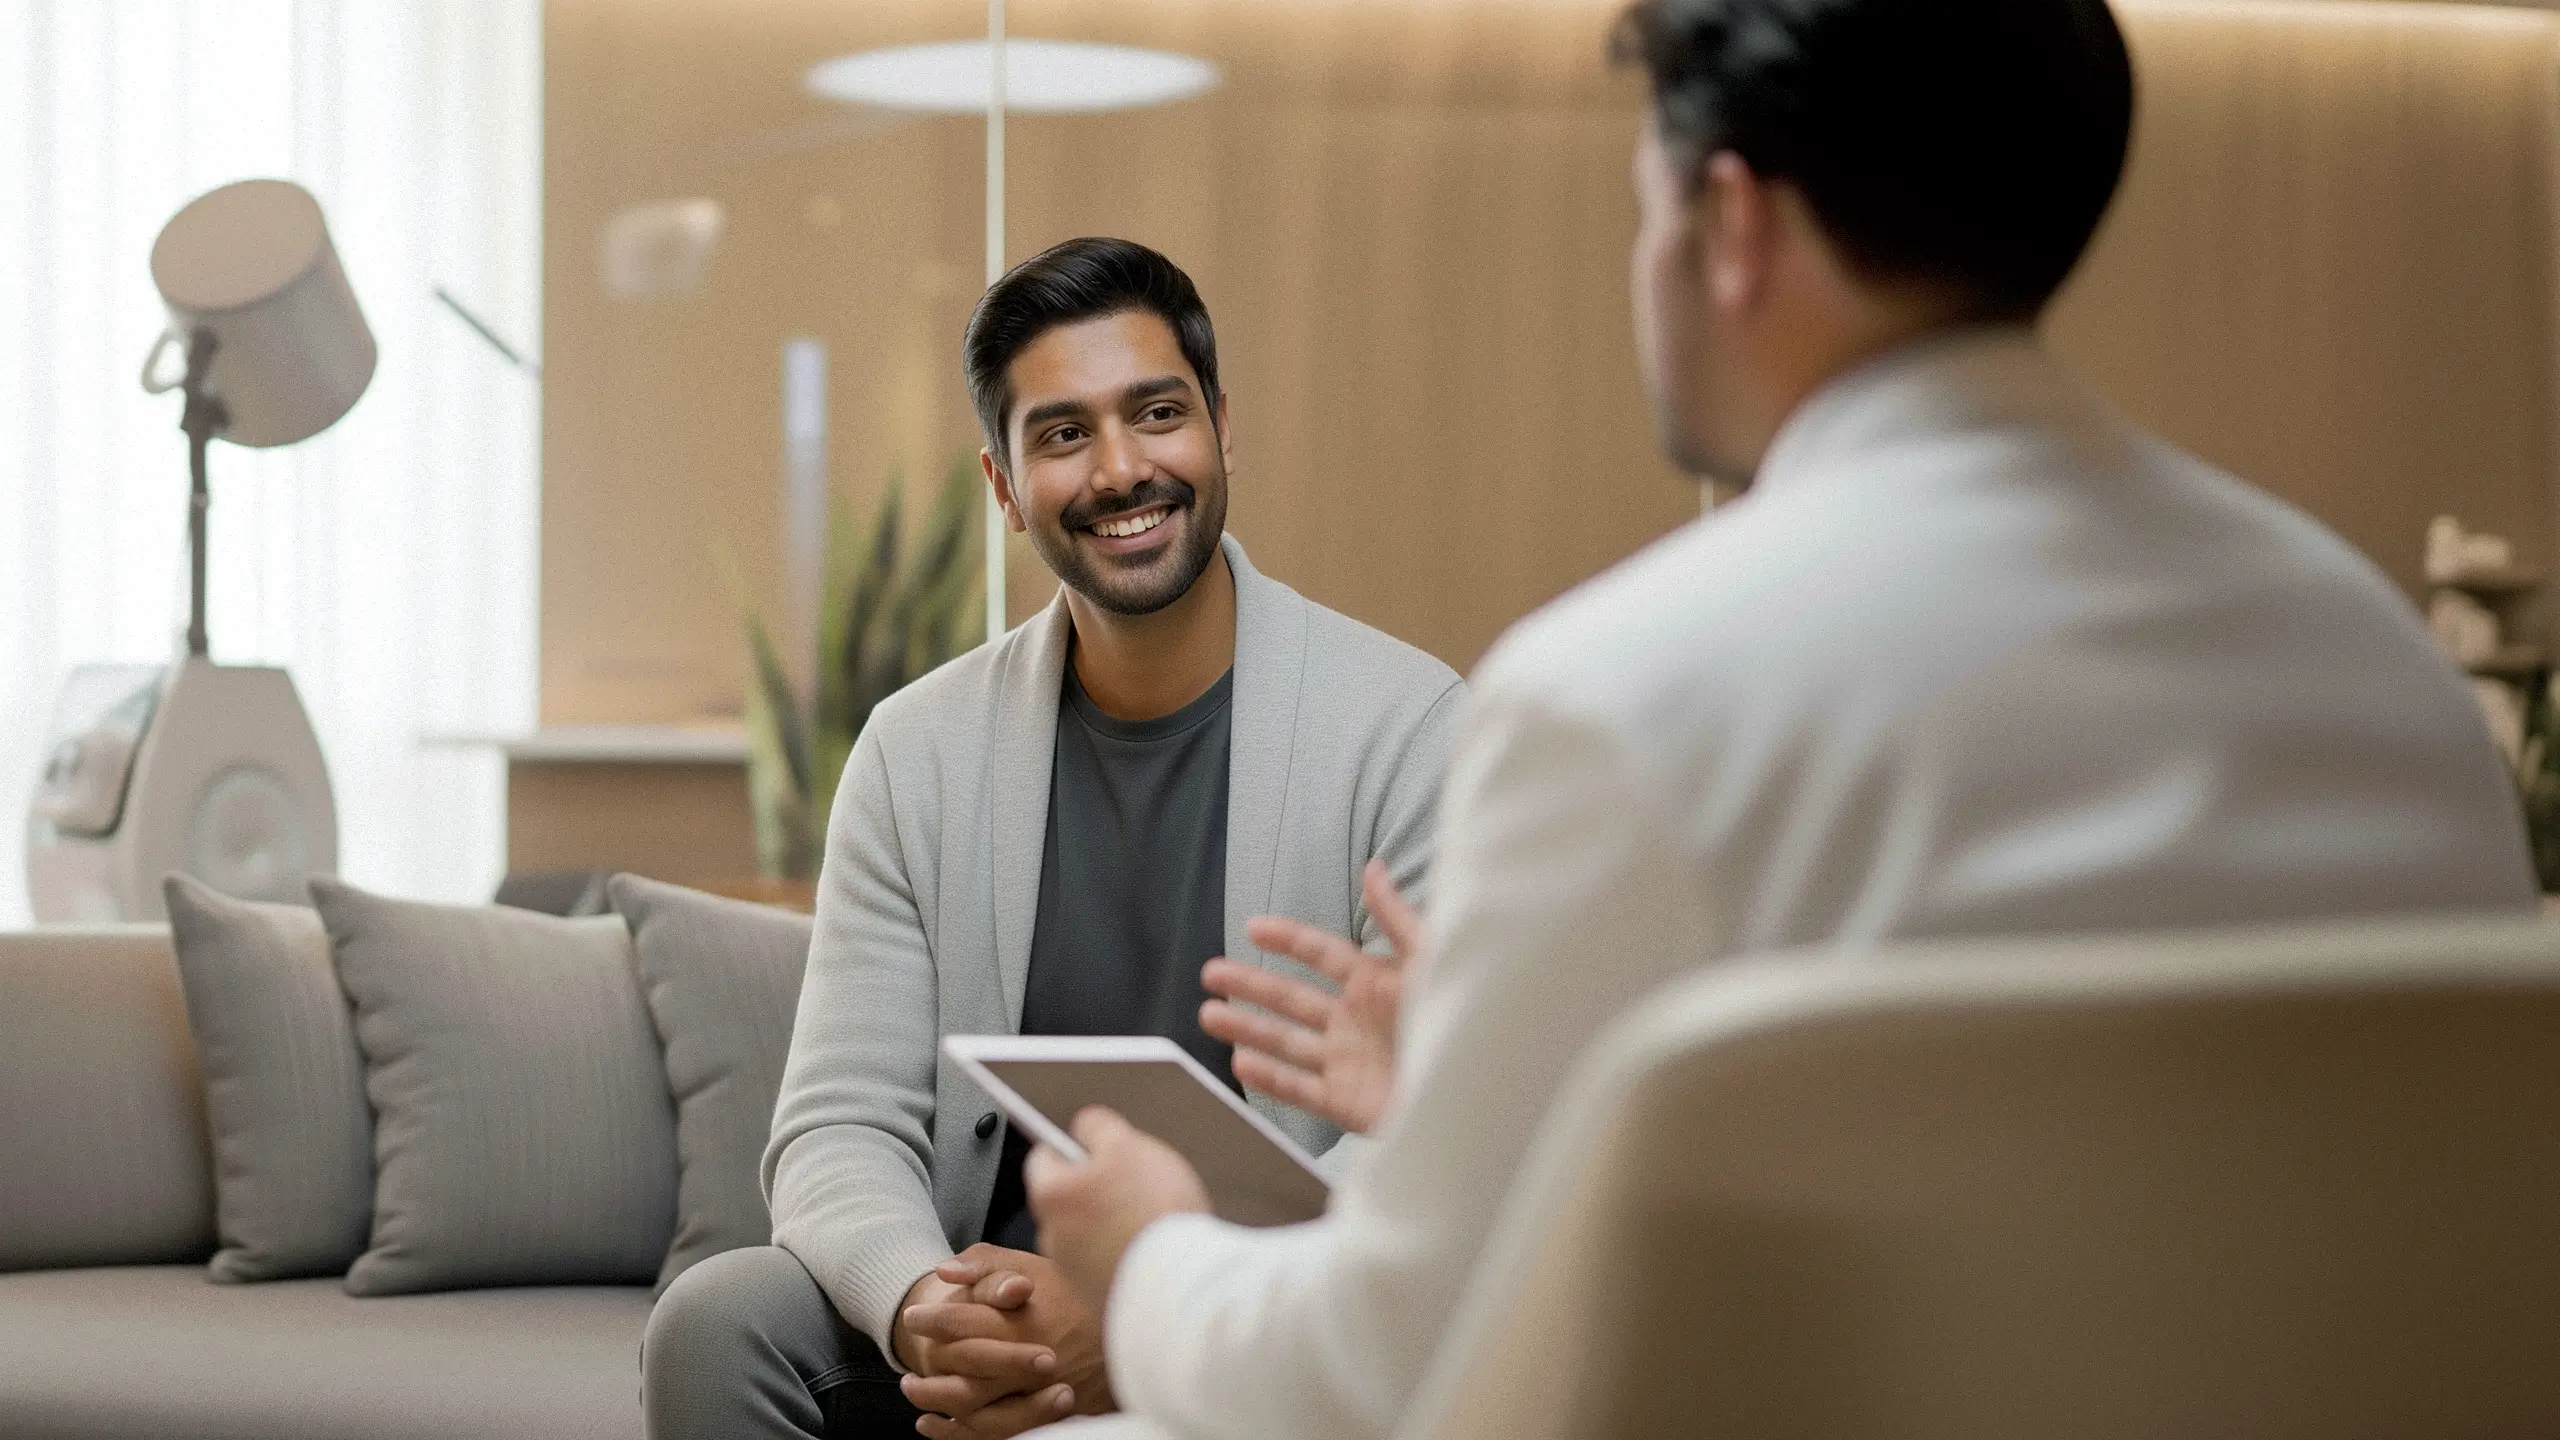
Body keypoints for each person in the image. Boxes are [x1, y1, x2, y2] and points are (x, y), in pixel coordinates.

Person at [1021, 2, 2540, 1437]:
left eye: (1648, 209)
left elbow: (1381, 1389)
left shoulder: (1621, 699)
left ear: (1731, 224)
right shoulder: (2384, 670)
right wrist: (1503, 1105)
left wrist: (1150, 1250)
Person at [641, 237, 1464, 1440]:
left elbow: (1440, 1136)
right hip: (979, 1313)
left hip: (1256, 1314)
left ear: (1222, 428)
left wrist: (1154, 1308)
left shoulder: (1409, 732)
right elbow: (837, 1123)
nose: (1122, 468)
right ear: (1005, 484)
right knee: (720, 1320)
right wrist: (923, 1304)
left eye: (1157, 414)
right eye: (1063, 434)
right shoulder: (913, 750)